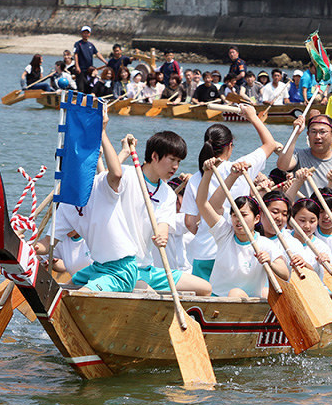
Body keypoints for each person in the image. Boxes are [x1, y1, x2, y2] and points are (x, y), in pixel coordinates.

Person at [180, 104, 277, 281]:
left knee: (204, 295)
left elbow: (190, 223)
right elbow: (270, 144)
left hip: (203, 251)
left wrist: (207, 230)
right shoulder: (241, 168)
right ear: (230, 146)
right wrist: (252, 116)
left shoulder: (196, 177)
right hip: (234, 250)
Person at [53, 107, 139, 292]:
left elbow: (116, 174)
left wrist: (102, 133)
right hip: (97, 267)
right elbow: (46, 243)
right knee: (67, 290)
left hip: (121, 270)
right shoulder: (65, 204)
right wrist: (28, 248)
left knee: (82, 294)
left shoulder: (101, 184)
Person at [114, 132, 210, 295]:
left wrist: (162, 236)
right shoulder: (126, 175)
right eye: (172, 160)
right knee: (149, 295)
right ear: (154, 156)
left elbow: (163, 226)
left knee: (205, 288)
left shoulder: (168, 194)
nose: (176, 166)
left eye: (178, 161)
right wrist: (124, 153)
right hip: (121, 267)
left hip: (146, 268)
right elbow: (104, 180)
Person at [277, 114, 332, 196]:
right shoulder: (298, 155)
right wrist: (295, 133)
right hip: (304, 204)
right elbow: (283, 166)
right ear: (308, 134)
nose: (317, 136)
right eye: (313, 132)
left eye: (322, 132)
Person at [73, 26, 107, 95]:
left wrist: (105, 61)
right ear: (81, 34)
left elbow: (97, 54)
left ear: (89, 34)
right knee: (81, 87)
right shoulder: (78, 44)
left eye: (87, 33)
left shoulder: (91, 45)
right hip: (81, 69)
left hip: (89, 70)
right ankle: (80, 98)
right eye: (84, 33)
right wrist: (77, 66)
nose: (86, 34)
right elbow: (75, 55)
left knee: (89, 85)